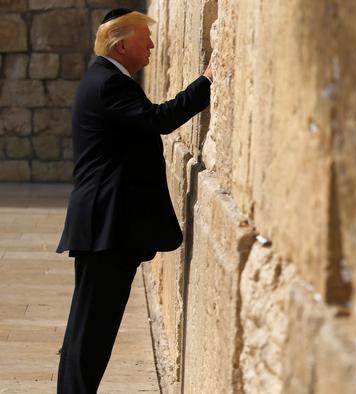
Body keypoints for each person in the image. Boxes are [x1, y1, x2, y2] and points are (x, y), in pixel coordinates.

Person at [55, 8, 213, 393]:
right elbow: (158, 119)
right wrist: (207, 80)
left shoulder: (104, 79)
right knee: (92, 331)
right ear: (121, 43)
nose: (153, 46)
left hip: (105, 225)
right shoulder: (109, 83)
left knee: (89, 329)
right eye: (146, 38)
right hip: (106, 227)